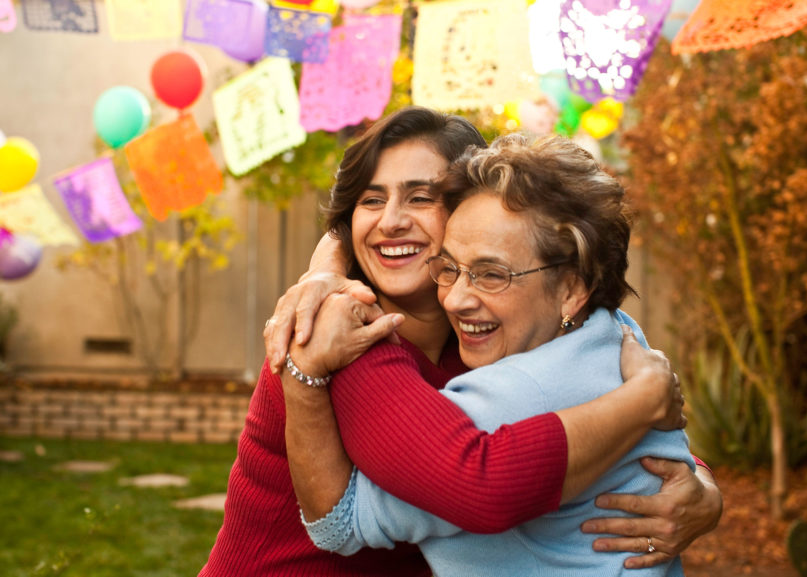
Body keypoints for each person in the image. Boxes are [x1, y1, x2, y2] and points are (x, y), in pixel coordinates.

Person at [199, 107, 721, 577]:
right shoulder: (347, 337)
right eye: (371, 201)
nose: (391, 221)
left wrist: (700, 488)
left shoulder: (483, 336)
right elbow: (476, 485)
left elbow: (581, 389)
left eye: (420, 197)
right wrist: (642, 401)